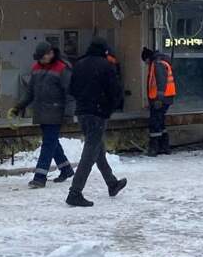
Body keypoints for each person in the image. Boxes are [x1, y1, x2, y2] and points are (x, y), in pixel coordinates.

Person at [65, 38, 127, 207]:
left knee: (97, 149)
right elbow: (115, 91)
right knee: (90, 153)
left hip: (82, 112)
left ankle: (112, 183)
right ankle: (75, 192)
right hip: (98, 113)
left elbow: (72, 89)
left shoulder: (79, 64)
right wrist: (109, 108)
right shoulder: (106, 66)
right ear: (104, 51)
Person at [11, 42, 74, 188]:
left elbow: (69, 94)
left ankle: (40, 177)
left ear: (51, 53)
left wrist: (68, 114)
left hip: (55, 112)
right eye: (40, 57)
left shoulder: (62, 68)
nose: (42, 59)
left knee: (48, 144)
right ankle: (66, 169)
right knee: (52, 142)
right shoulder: (36, 68)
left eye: (44, 56)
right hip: (41, 112)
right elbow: (30, 91)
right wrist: (19, 107)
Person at [141, 47, 176, 156]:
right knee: (160, 122)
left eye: (145, 61)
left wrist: (158, 100)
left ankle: (154, 148)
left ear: (148, 58)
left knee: (155, 123)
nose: (146, 64)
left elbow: (161, 82)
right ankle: (164, 146)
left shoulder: (157, 64)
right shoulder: (160, 61)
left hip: (161, 98)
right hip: (165, 97)